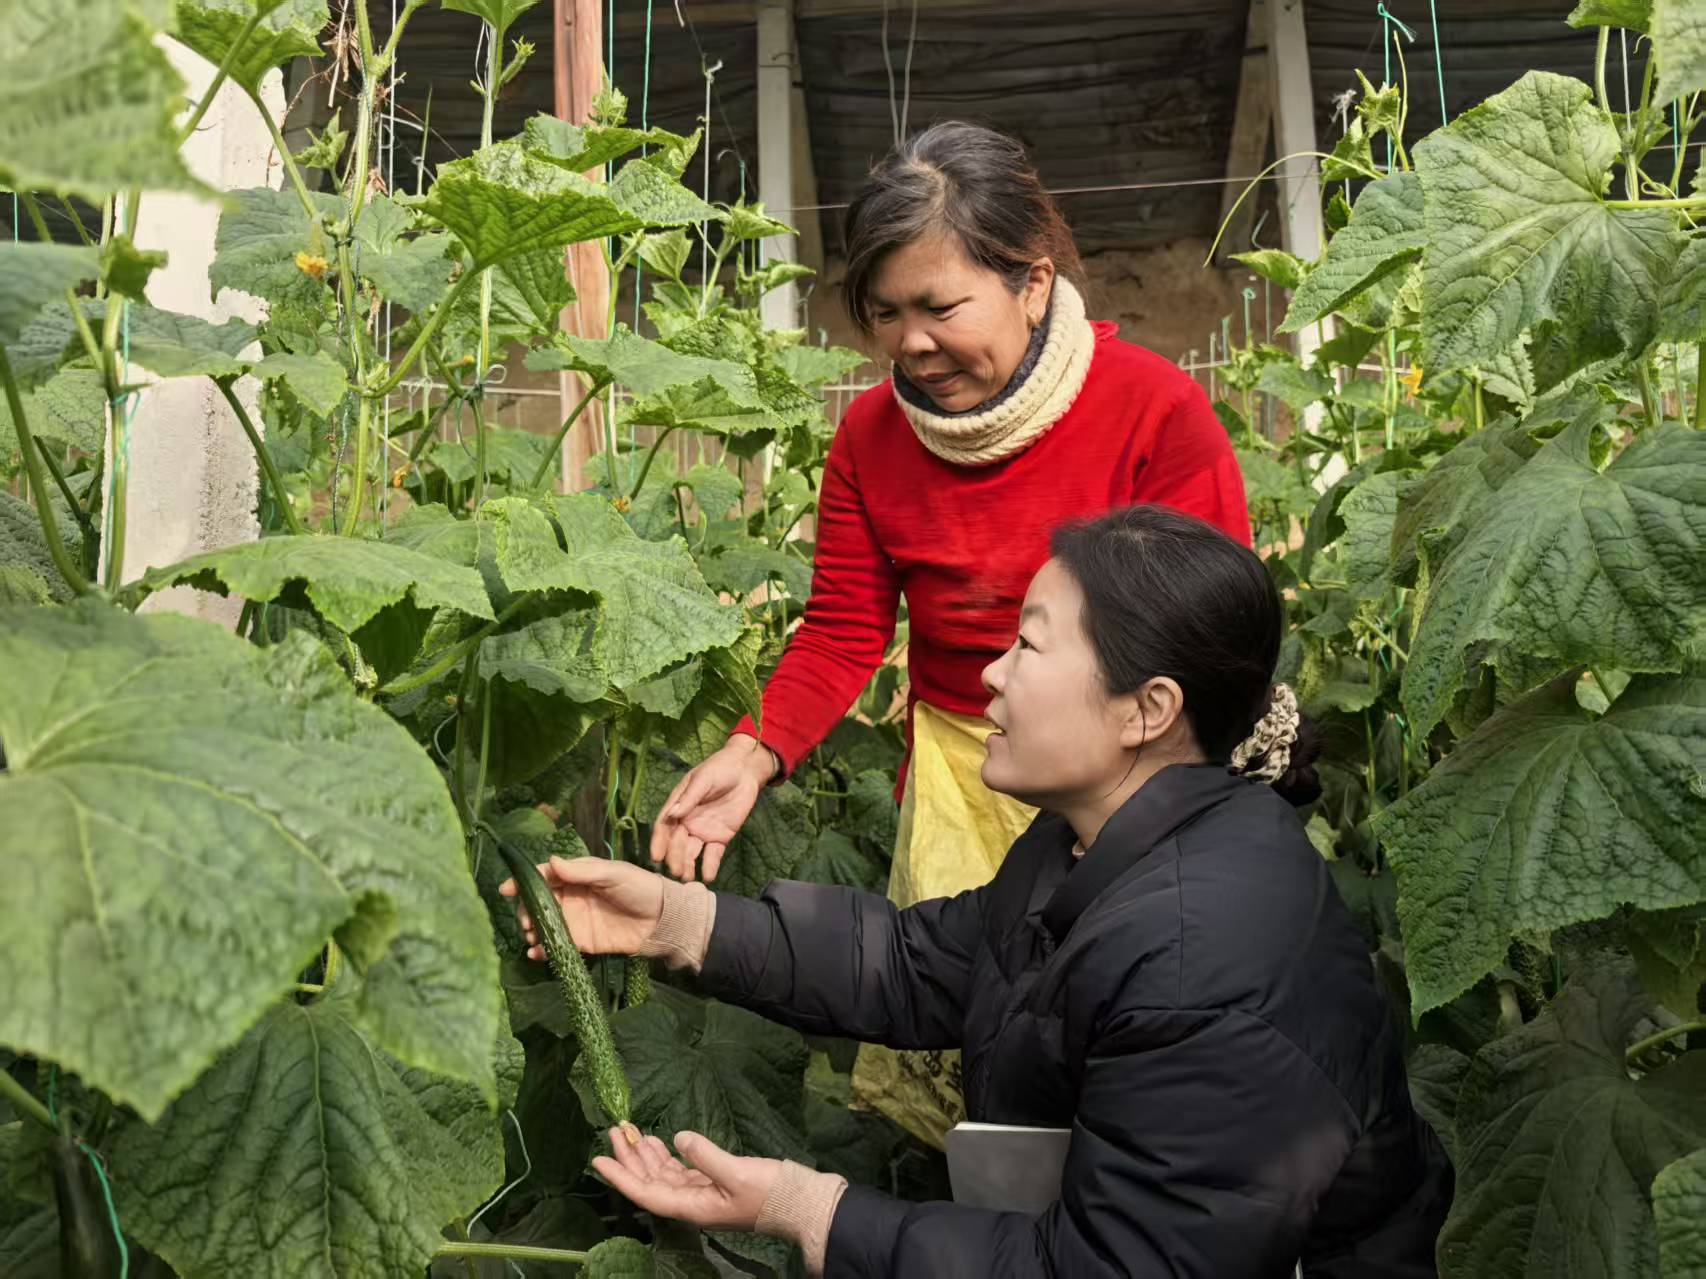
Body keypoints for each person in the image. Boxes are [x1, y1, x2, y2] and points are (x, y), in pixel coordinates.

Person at [506, 506, 1452, 1278]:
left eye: (1029, 646)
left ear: (1148, 709)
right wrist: (676, 921)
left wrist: (807, 1210)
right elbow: (922, 963)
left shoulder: (1201, 957)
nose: (992, 673)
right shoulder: (1093, 841)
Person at [649, 122, 1250, 1142]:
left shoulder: (1153, 409)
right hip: (966, 779)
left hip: (1136, 779)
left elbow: (1211, 641)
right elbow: (842, 628)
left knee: (1133, 1056)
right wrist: (752, 752)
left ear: (1031, 282)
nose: (910, 343)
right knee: (979, 1076)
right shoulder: (869, 438)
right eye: (884, 313)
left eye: (939, 307)